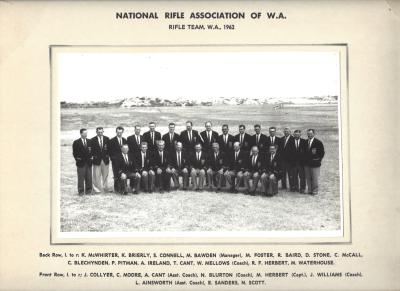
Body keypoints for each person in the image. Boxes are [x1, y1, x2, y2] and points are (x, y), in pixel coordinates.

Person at [72, 128, 93, 195]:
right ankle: (81, 191)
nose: (85, 134)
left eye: (86, 133)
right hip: (81, 163)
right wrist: (78, 159)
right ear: (81, 133)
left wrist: (91, 158)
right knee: (81, 177)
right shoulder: (76, 142)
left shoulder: (90, 141)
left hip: (88, 162)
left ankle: (89, 190)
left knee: (89, 177)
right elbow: (74, 153)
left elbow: (92, 151)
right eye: (84, 133)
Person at [304, 129, 325, 195]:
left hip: (315, 164)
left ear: (314, 134)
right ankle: (309, 190)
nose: (309, 135)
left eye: (311, 133)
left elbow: (322, 153)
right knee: (308, 177)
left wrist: (318, 160)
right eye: (308, 134)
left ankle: (315, 190)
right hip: (307, 163)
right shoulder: (305, 142)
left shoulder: (318, 142)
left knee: (314, 177)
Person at [90, 127, 110, 193]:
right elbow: (91, 151)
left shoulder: (107, 139)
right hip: (96, 160)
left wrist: (108, 156)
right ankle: (96, 189)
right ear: (96, 132)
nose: (100, 133)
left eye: (101, 132)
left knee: (105, 175)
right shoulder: (92, 140)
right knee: (96, 175)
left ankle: (105, 188)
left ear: (103, 132)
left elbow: (109, 149)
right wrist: (93, 157)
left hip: (105, 160)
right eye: (99, 132)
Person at [108, 126, 127, 192]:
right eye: (118, 132)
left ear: (122, 132)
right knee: (116, 174)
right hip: (115, 161)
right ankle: (117, 188)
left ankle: (123, 187)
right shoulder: (112, 140)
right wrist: (113, 158)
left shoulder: (125, 140)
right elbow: (110, 151)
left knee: (123, 173)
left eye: (120, 132)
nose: (119, 134)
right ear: (116, 132)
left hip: (123, 160)